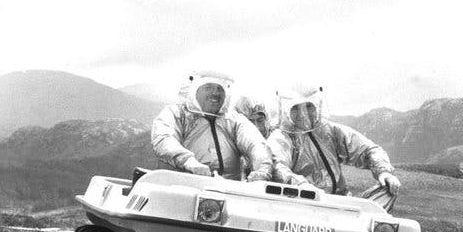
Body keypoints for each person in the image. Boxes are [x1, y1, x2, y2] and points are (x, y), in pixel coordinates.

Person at [267, 85, 401, 195]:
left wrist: (384, 172)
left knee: (386, 195)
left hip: (339, 200)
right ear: (286, 110)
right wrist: (300, 185)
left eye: (308, 106)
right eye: (296, 108)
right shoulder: (281, 137)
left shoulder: (330, 130)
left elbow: (368, 149)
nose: (303, 114)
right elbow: (277, 165)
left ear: (316, 106)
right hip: (300, 201)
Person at [151, 71, 273, 181]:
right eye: (208, 87)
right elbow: (163, 139)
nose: (215, 93)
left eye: (220, 88)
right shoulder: (176, 114)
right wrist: (188, 161)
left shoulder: (233, 120)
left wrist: (262, 168)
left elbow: (256, 143)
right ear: (195, 91)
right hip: (181, 188)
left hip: (229, 193)